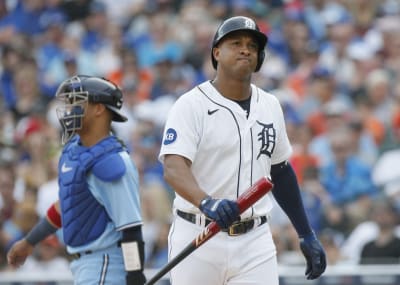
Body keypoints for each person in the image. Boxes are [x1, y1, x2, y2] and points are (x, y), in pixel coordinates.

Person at [158, 16, 326, 285]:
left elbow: (280, 172)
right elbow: (173, 167)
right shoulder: (190, 105)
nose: (245, 49)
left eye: (252, 45)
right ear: (216, 52)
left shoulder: (271, 105)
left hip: (254, 240)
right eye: (235, 43)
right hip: (198, 233)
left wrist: (306, 233)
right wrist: (206, 201)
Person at [7, 75, 146, 285]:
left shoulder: (112, 161)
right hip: (85, 265)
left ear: (99, 109)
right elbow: (67, 205)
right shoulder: (75, 151)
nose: (70, 109)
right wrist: (29, 241)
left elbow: (130, 228)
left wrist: (135, 276)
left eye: (77, 102)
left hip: (107, 265)